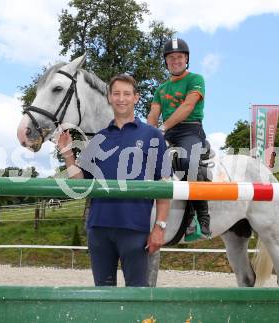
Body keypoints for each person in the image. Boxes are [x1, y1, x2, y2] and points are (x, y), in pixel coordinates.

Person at [57, 74, 170, 287]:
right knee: (103, 296)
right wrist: (67, 153)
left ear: (136, 97)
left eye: (127, 94)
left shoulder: (153, 136)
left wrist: (160, 227)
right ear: (109, 97)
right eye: (116, 93)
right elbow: (80, 183)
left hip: (135, 230)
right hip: (99, 230)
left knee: (137, 297)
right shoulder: (98, 139)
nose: (121, 99)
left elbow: (163, 187)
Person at [147, 37, 211, 237]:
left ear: (186, 59)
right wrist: (149, 133)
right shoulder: (160, 89)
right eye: (171, 58)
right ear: (166, 61)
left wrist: (163, 127)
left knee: (186, 161)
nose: (176, 61)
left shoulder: (195, 80)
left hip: (190, 130)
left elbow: (188, 106)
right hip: (167, 132)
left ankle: (201, 216)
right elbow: (153, 115)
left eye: (180, 57)